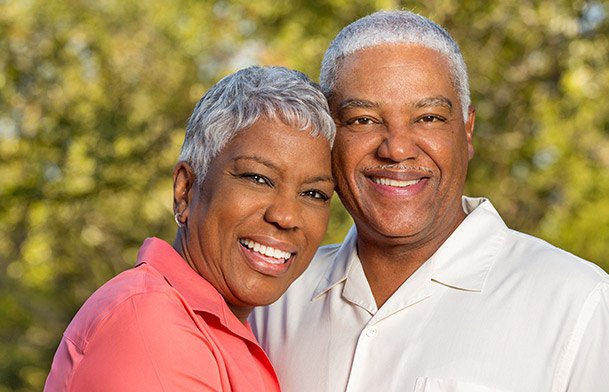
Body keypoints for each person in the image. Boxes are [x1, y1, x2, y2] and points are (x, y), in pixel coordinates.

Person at [250, 10, 609, 392]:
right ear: (328, 136)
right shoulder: (275, 297)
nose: (398, 148)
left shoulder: (576, 302)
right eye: (363, 120)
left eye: (429, 117)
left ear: (467, 131)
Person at [44, 65, 336, 391]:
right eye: (257, 178)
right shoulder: (150, 323)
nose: (285, 216)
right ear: (185, 189)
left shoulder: (229, 330)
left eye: (314, 193)